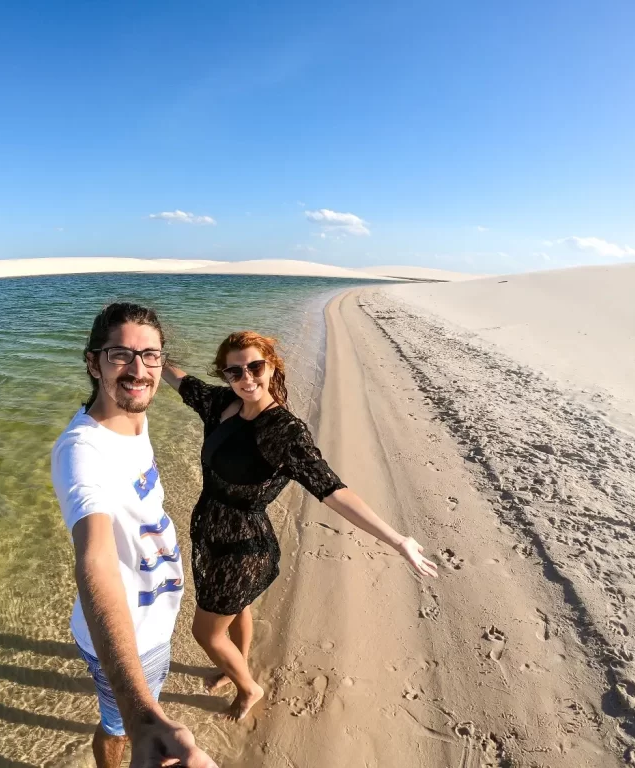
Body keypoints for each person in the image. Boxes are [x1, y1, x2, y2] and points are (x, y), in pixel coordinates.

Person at [162, 330, 439, 722]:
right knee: (237, 609)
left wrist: (397, 540)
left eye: (255, 366)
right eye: (235, 371)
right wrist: (143, 356)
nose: (247, 378)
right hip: (212, 535)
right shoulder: (221, 403)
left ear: (271, 364)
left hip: (244, 548)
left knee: (206, 633)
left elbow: (332, 489)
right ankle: (235, 665)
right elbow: (179, 380)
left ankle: (248, 688)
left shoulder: (284, 432)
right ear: (225, 375)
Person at [51, 302, 218, 768]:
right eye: (120, 354)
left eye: (151, 356)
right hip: (130, 641)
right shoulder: (82, 451)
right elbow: (95, 561)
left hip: (153, 622)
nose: (138, 369)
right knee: (118, 727)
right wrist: (143, 713)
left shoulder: (133, 419)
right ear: (92, 362)